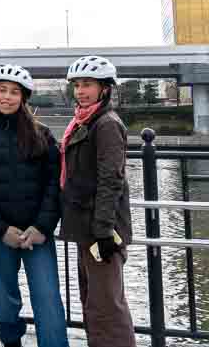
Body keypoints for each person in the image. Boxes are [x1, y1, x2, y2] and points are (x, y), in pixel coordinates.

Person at [0, 65, 67, 347]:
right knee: (0, 300)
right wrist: (0, 228)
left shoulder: (42, 135)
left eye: (14, 92)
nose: (7, 97)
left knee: (47, 299)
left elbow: (53, 185)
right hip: (0, 234)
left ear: (23, 98)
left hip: (37, 233)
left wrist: (42, 226)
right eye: (2, 91)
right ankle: (12, 341)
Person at [58, 55, 134, 347]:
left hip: (101, 231)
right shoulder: (83, 121)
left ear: (105, 88)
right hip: (86, 227)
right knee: (92, 300)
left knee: (106, 307)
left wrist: (103, 232)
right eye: (77, 85)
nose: (80, 91)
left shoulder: (106, 124)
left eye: (88, 85)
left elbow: (111, 179)